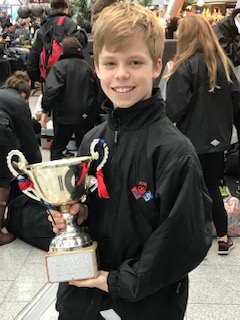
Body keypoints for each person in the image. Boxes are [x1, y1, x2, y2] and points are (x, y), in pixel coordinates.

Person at [49, 3, 212, 320]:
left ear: (156, 67)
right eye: (110, 63)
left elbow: (184, 240)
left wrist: (112, 281)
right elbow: (90, 208)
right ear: (96, 68)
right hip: (82, 302)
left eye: (135, 62)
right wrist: (76, 215)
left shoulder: (174, 152)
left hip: (143, 305)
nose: (121, 74)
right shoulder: (92, 140)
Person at [166, 14, 240, 255]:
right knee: (213, 183)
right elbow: (236, 100)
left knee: (191, 187)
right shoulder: (223, 64)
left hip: (190, 138)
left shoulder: (183, 66)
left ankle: (196, 237)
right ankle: (222, 237)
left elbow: (175, 109)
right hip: (219, 137)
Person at [40, 36, 100, 160]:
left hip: (64, 116)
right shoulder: (87, 67)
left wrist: (45, 110)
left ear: (63, 50)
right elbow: (96, 90)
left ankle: (57, 176)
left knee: (57, 147)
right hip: (85, 115)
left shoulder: (59, 67)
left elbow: (52, 91)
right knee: (85, 148)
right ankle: (84, 176)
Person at [0, 71, 42, 245]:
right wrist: (36, 167)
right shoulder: (19, 102)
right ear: (24, 94)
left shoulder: (3, 94)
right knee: (2, 180)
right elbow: (28, 140)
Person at [26, 0, 88, 82]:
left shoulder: (44, 26)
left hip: (48, 74)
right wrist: (82, 33)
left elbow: (35, 51)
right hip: (67, 74)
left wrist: (35, 75)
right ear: (66, 9)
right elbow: (79, 42)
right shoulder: (68, 22)